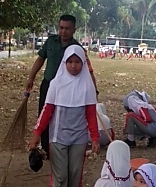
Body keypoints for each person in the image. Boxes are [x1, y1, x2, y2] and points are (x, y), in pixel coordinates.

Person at [29, 45, 100, 187]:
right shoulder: (56, 83)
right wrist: (37, 133)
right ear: (64, 63)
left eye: (77, 62)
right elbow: (47, 111)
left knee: (75, 176)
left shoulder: (87, 86)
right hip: (58, 137)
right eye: (70, 62)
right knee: (60, 178)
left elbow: (91, 115)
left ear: (83, 63)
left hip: (78, 138)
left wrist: (94, 138)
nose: (74, 66)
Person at [24, 15, 99, 157]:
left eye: (67, 28)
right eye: (61, 28)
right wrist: (31, 77)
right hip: (49, 85)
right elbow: (40, 58)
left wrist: (93, 89)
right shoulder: (51, 42)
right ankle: (46, 148)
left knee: (60, 117)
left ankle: (59, 146)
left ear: (74, 29)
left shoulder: (77, 48)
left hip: (68, 89)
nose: (63, 31)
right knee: (44, 113)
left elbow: (88, 69)